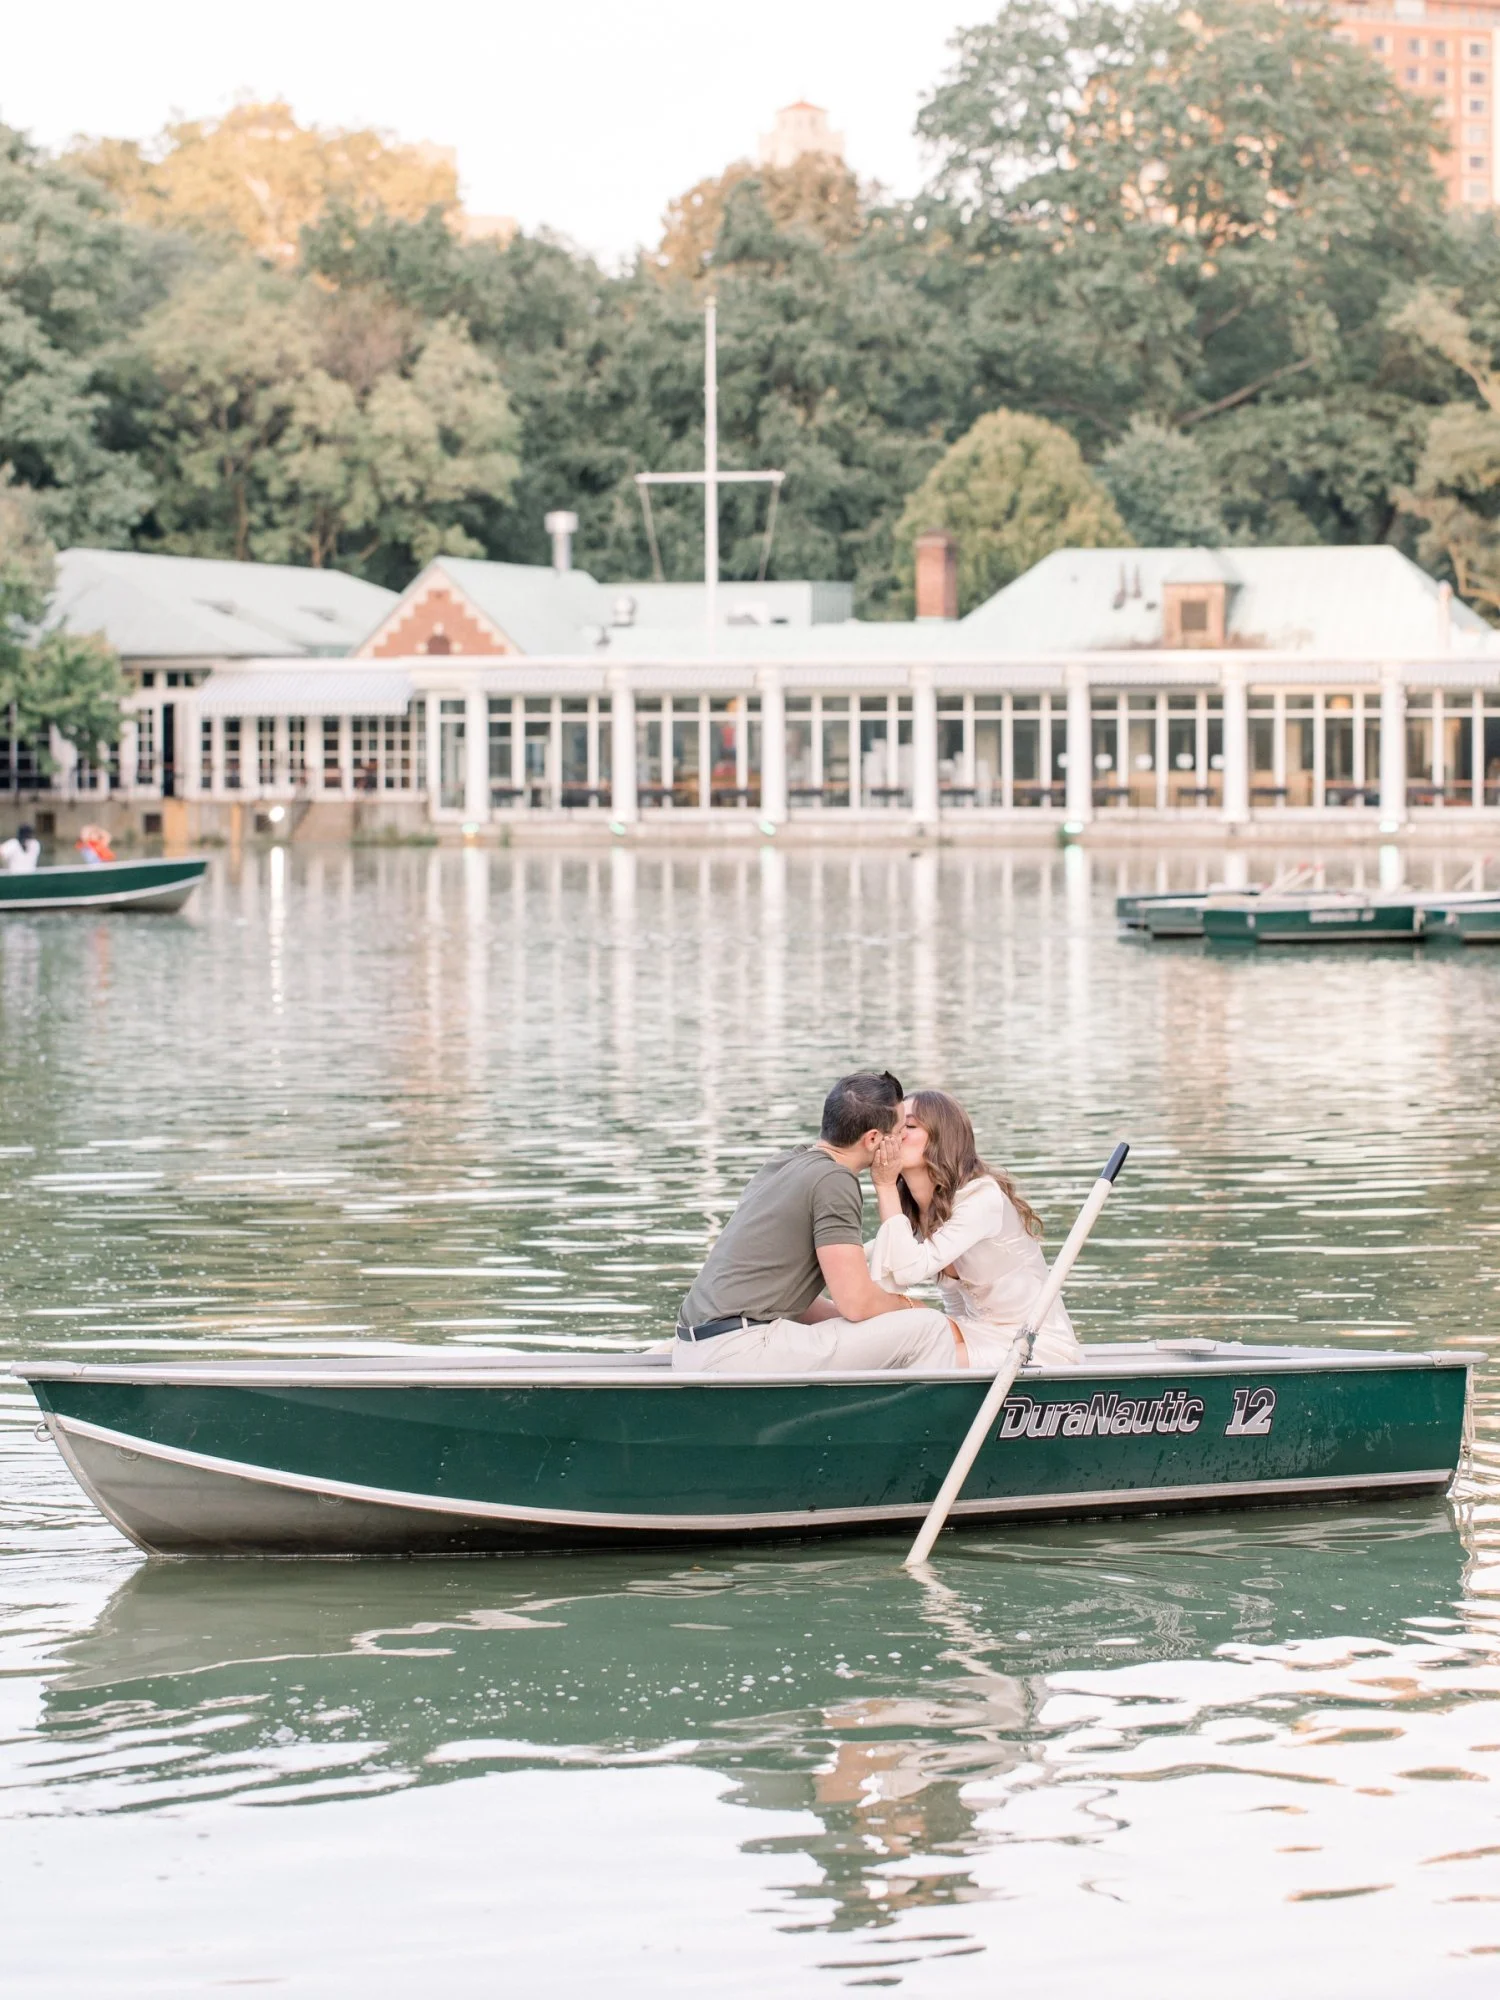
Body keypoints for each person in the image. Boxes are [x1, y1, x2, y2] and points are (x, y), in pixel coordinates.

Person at [673, 1071, 965, 1374]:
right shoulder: (834, 1181)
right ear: (873, 1139)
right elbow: (856, 1302)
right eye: (899, 1130)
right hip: (737, 1351)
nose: (902, 1138)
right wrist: (910, 1306)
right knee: (929, 1327)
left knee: (887, 1325)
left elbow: (794, 1302)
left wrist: (877, 1325)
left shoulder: (783, 1163)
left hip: (694, 1349)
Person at [867, 1091, 1083, 1369]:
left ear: (943, 1138)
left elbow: (907, 1271)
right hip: (976, 1333)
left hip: (1034, 1344)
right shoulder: (918, 1211)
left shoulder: (981, 1198)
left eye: (909, 1126)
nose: (896, 1136)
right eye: (895, 1127)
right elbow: (887, 1276)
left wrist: (884, 1185)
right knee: (895, 1346)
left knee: (911, 1354)